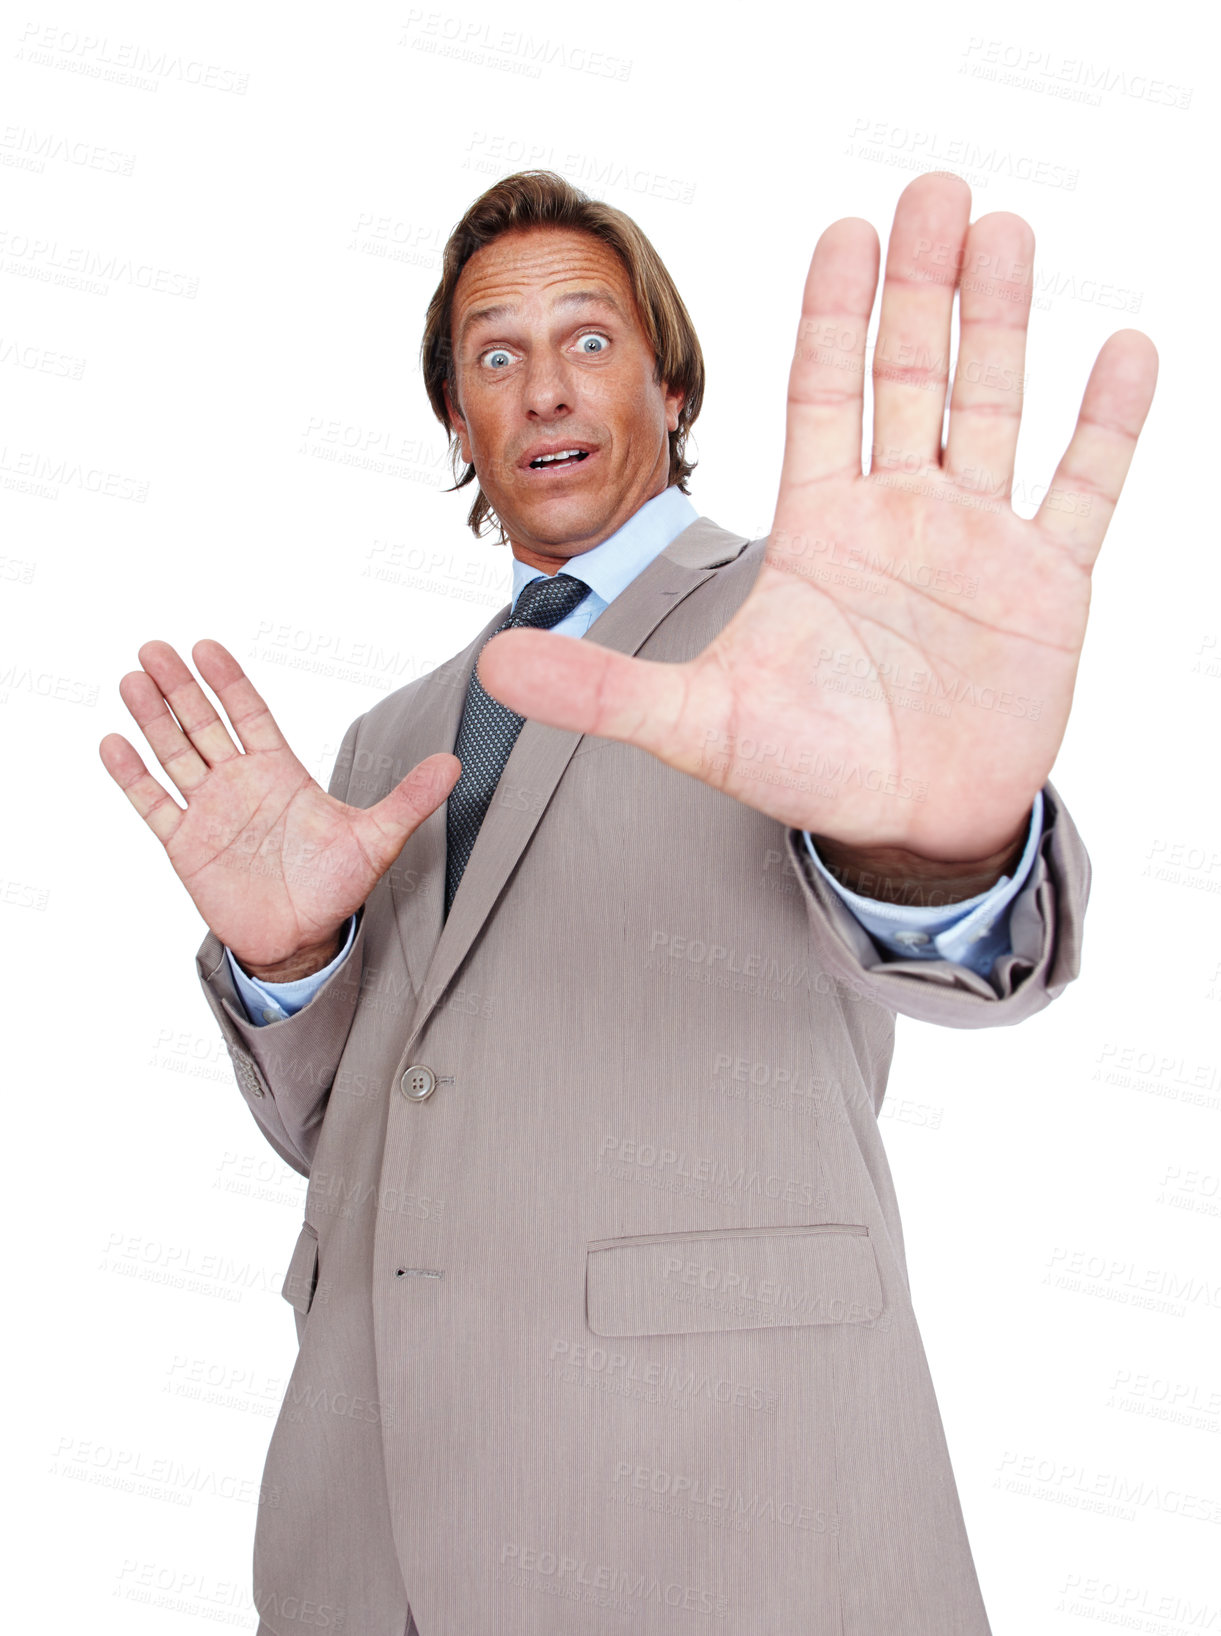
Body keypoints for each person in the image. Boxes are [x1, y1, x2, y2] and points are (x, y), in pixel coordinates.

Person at [100, 169, 1156, 1636]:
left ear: (668, 383)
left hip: (719, 1501)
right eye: (493, 356)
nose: (540, 388)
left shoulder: (808, 635)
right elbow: (347, 1131)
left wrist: (938, 852)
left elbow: (966, 955)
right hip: (374, 1519)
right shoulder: (387, 741)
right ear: (456, 425)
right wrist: (286, 960)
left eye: (586, 340)